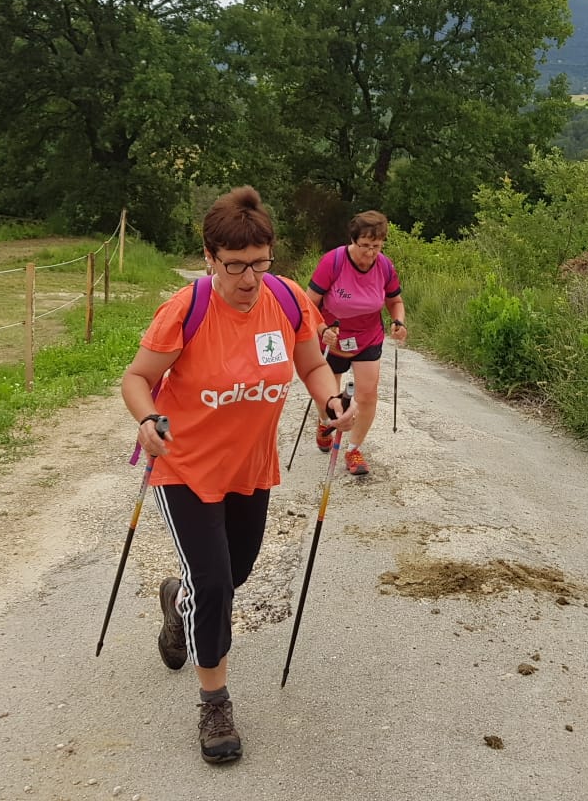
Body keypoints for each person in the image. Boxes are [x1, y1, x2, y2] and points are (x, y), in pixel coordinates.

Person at [120, 186, 357, 765]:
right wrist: (148, 417)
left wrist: (330, 402)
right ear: (209, 258)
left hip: (250, 468)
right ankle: (215, 704)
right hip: (185, 469)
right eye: (235, 267)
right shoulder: (186, 309)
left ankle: (179, 605)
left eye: (260, 263)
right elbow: (135, 378)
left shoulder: (288, 297)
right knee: (218, 584)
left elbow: (310, 363)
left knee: (236, 573)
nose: (249, 279)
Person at [304, 210, 406, 476]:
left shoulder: (384, 266)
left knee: (368, 394)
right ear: (353, 240)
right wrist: (321, 327)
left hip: (368, 336)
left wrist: (399, 321)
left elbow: (395, 301)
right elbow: (308, 303)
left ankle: (353, 449)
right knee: (329, 392)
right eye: (364, 246)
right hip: (333, 336)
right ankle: (326, 421)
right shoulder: (334, 262)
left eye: (376, 246)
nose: (370, 252)